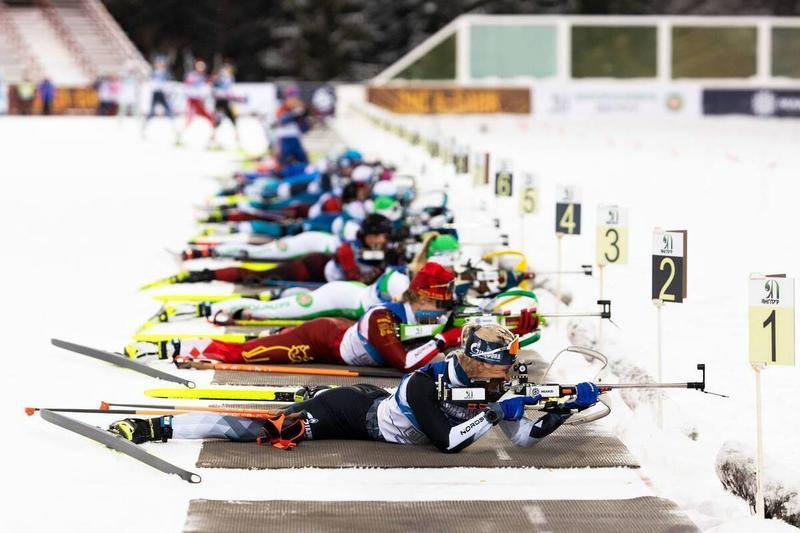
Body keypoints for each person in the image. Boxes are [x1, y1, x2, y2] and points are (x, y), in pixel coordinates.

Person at [109, 323, 599, 453]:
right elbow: (448, 443)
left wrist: (558, 414)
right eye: (502, 371)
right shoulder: (428, 385)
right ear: (478, 367)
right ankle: (157, 426)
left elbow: (521, 440)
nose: (509, 378)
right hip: (350, 413)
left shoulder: (490, 391)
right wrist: (498, 411)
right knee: (270, 428)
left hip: (374, 402)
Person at [180, 59, 215, 145]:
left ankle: (213, 137)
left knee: (209, 117)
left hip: (199, 101)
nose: (201, 68)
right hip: (192, 101)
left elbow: (206, 88)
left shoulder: (204, 77)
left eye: (202, 66)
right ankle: (180, 137)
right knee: (189, 119)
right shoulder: (192, 76)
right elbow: (187, 86)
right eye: (199, 66)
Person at [211, 62, 240, 144]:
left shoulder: (230, 78)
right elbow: (214, 86)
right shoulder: (219, 78)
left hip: (226, 102)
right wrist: (215, 80)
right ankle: (213, 137)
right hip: (219, 101)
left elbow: (229, 90)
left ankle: (237, 136)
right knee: (217, 119)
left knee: (232, 118)